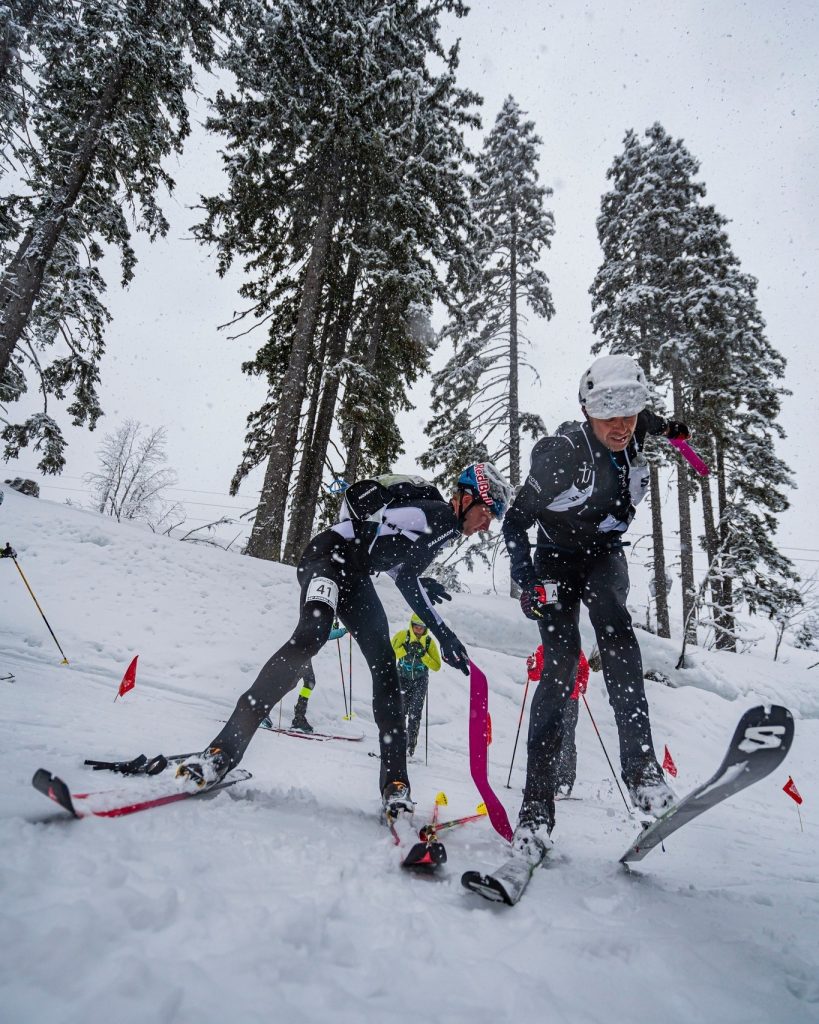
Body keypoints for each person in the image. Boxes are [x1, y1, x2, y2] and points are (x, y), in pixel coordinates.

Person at [177, 462, 512, 819]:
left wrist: (424, 594)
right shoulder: (435, 515)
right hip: (326, 558)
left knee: (385, 664)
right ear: (465, 500)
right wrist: (444, 634)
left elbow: (396, 564)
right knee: (311, 637)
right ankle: (221, 752)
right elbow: (371, 529)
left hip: (355, 576)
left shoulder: (441, 528)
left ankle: (396, 784)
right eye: (486, 513)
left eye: (492, 518)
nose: (487, 525)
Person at [503, 353, 690, 854]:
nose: (621, 425)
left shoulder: (633, 426)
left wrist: (671, 429)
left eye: (630, 411)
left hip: (604, 553)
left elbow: (647, 421)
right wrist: (526, 581)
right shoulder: (562, 455)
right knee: (561, 668)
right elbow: (515, 521)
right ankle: (535, 810)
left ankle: (642, 773)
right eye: (609, 414)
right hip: (555, 561)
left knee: (619, 637)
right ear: (587, 411)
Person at [259, 623, 349, 734]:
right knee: (292, 684)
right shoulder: (315, 619)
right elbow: (325, 634)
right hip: (300, 654)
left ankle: (298, 718)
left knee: (308, 682)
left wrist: (334, 628)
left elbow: (324, 633)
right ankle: (263, 712)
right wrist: (344, 631)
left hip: (304, 654)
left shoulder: (319, 619)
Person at [527, 645, 589, 796]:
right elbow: (535, 676)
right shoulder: (543, 648)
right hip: (548, 698)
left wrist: (581, 683)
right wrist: (532, 667)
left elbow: (584, 669)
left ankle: (564, 783)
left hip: (569, 699)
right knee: (543, 738)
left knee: (566, 739)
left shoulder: (573, 647)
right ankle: (543, 781)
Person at [392, 613, 442, 757]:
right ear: (411, 625)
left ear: (426, 628)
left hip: (420, 681)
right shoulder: (403, 636)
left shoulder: (429, 642)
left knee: (415, 715)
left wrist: (423, 655)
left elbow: (436, 666)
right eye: (416, 627)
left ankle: (410, 747)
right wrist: (405, 650)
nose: (418, 630)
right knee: (400, 712)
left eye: (422, 627)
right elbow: (389, 653)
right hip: (402, 678)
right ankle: (397, 742)